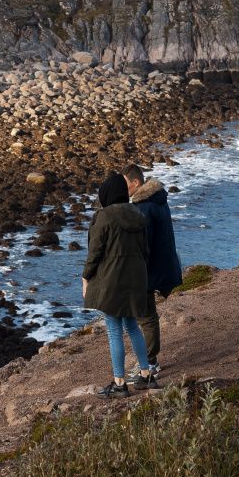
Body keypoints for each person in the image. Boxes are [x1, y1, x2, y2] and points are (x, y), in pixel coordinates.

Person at [81, 173, 156, 398]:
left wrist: (86, 277)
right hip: (135, 279)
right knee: (132, 326)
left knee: (114, 330)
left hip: (111, 281)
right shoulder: (138, 214)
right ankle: (146, 374)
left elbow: (94, 253)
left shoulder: (104, 217)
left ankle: (119, 383)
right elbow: (145, 251)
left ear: (107, 194)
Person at [123, 164, 183, 368]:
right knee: (147, 315)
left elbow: (143, 243)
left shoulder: (144, 207)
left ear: (136, 182)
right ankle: (149, 361)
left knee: (146, 317)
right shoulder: (158, 199)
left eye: (125, 184)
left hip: (149, 268)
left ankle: (149, 363)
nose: (124, 189)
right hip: (162, 263)